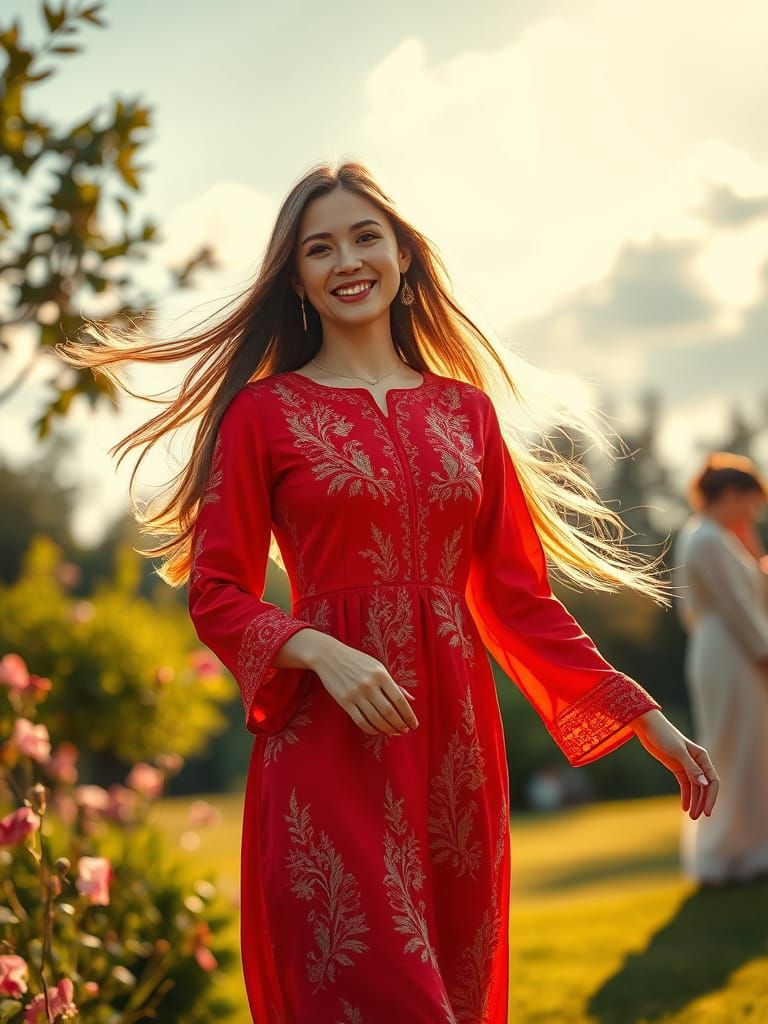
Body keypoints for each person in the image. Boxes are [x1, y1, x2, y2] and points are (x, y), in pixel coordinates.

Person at [59, 160, 719, 1024]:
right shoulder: (262, 416)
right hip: (323, 745)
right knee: (382, 994)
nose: (347, 260)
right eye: (318, 247)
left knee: (452, 989)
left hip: (453, 752)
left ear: (404, 255)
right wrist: (320, 649)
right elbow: (218, 592)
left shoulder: (468, 413)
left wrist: (647, 719)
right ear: (296, 279)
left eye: (366, 237)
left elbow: (519, 601)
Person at [672, 452, 768, 886]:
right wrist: (764, 655)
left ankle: (743, 850)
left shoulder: (714, 536)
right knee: (735, 747)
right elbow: (740, 611)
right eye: (750, 502)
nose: (753, 513)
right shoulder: (707, 538)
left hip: (726, 651)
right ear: (730, 494)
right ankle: (729, 854)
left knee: (747, 747)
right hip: (730, 653)